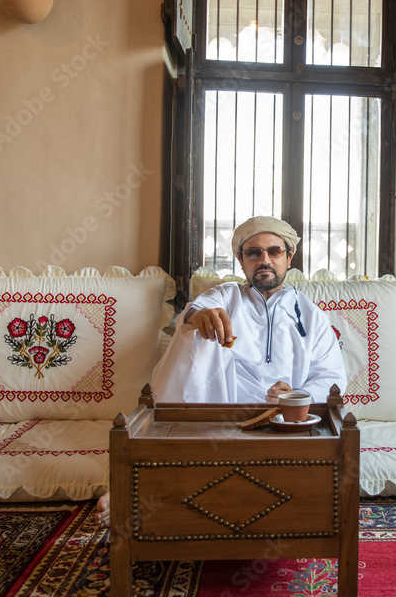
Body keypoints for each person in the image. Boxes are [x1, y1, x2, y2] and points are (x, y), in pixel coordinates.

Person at [97, 216, 347, 524]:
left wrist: (296, 395)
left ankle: (158, 484)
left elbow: (331, 376)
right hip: (214, 407)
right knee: (192, 334)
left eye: (274, 251)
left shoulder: (311, 315)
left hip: (277, 416)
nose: (264, 260)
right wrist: (200, 316)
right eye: (253, 253)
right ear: (241, 261)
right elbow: (193, 310)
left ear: (289, 257)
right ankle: (139, 480)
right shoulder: (226, 296)